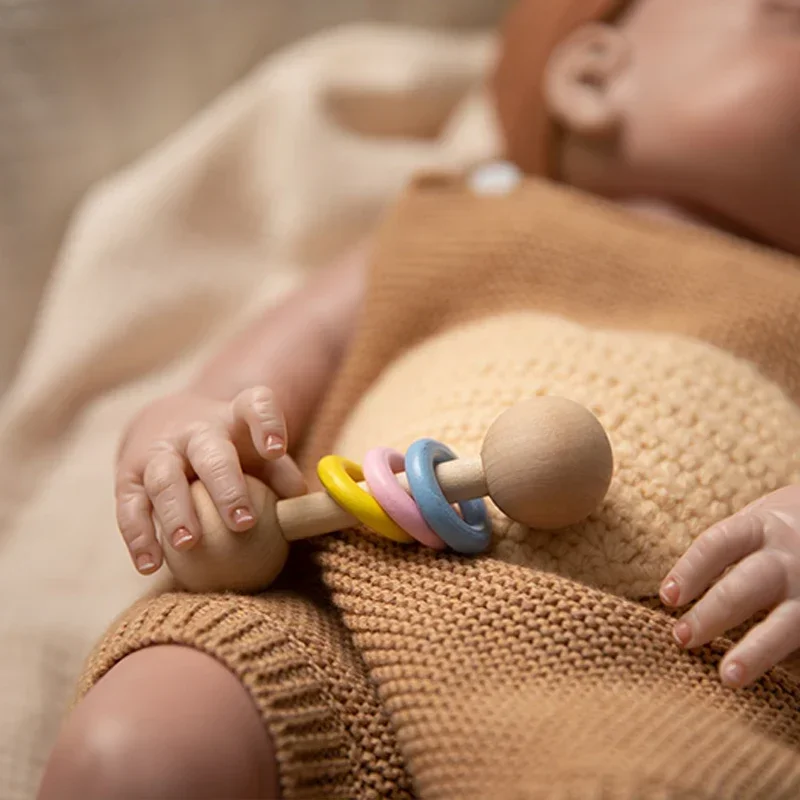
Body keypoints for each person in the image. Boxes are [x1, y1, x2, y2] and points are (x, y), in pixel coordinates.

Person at [38, 1, 800, 797]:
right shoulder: (468, 215)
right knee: (144, 744)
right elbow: (277, 365)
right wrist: (192, 424)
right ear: (594, 76)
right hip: (341, 601)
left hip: (674, 682)